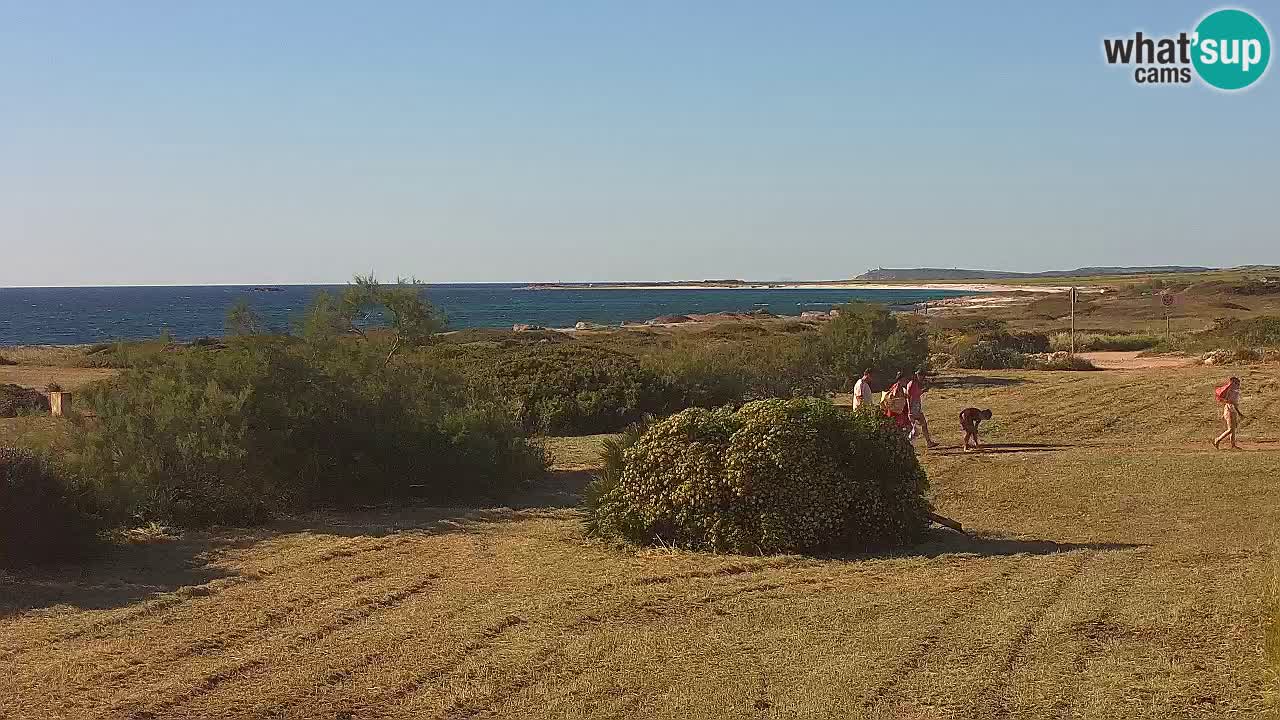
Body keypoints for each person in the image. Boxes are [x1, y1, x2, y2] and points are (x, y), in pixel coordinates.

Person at [906, 371, 939, 448]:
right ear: (917, 375)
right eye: (921, 376)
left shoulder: (915, 384)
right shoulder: (912, 384)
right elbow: (909, 397)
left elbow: (916, 394)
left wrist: (924, 390)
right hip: (913, 408)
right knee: (915, 429)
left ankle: (928, 442)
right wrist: (909, 410)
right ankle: (909, 443)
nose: (922, 378)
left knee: (922, 425)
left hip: (917, 407)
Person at [1213, 377, 1246, 450]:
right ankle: (1217, 440)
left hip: (1231, 410)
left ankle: (1233, 445)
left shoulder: (1234, 391)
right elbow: (1232, 403)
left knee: (1232, 429)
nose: (1238, 384)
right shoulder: (1232, 391)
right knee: (1231, 429)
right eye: (1237, 383)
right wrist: (1239, 413)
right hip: (1230, 410)